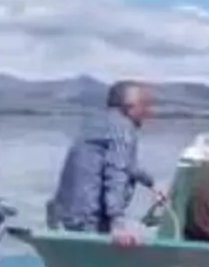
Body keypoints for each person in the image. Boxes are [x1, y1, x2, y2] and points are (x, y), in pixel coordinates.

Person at [47, 80, 164, 245]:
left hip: (64, 212)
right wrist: (117, 222)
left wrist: (152, 183)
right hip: (87, 216)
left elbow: (125, 164)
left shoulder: (97, 123)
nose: (149, 113)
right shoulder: (123, 128)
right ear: (130, 106)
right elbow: (116, 172)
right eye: (144, 106)